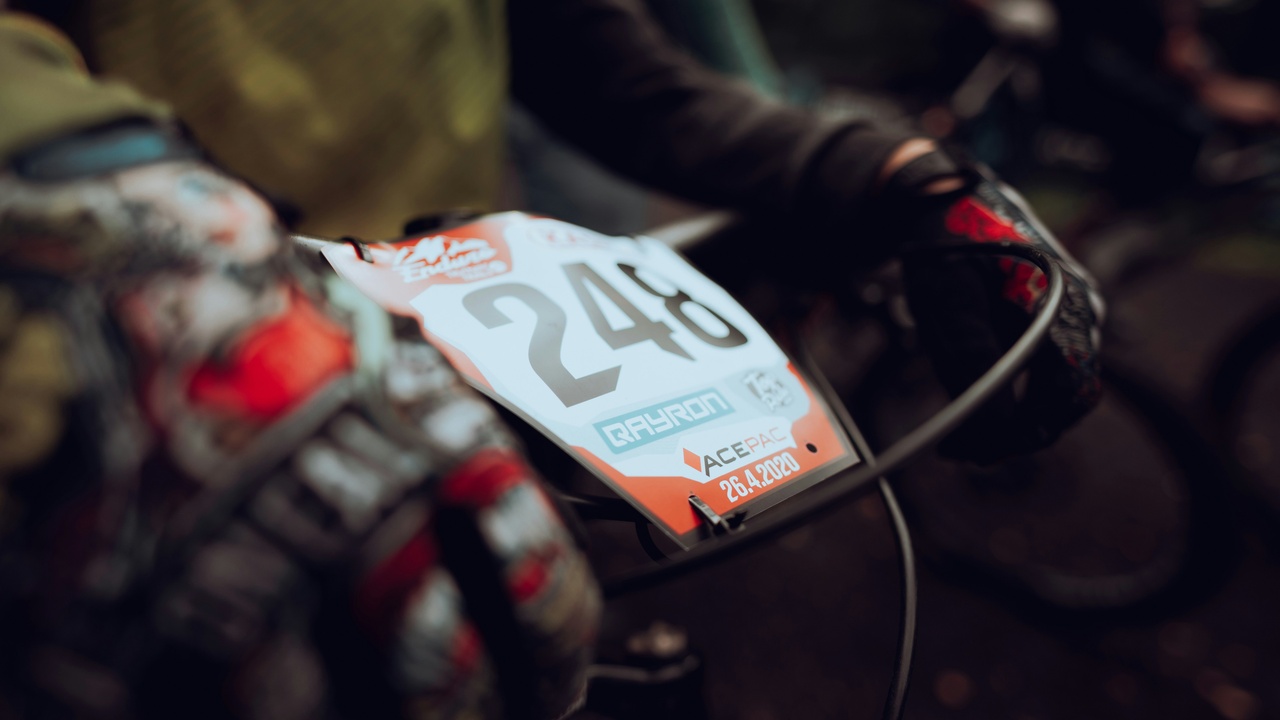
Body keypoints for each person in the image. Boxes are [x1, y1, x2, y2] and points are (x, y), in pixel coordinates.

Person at [0, 0, 1104, 717]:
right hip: (169, 378)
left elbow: (613, 72)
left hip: (458, 360)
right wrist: (86, 186)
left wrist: (890, 172)